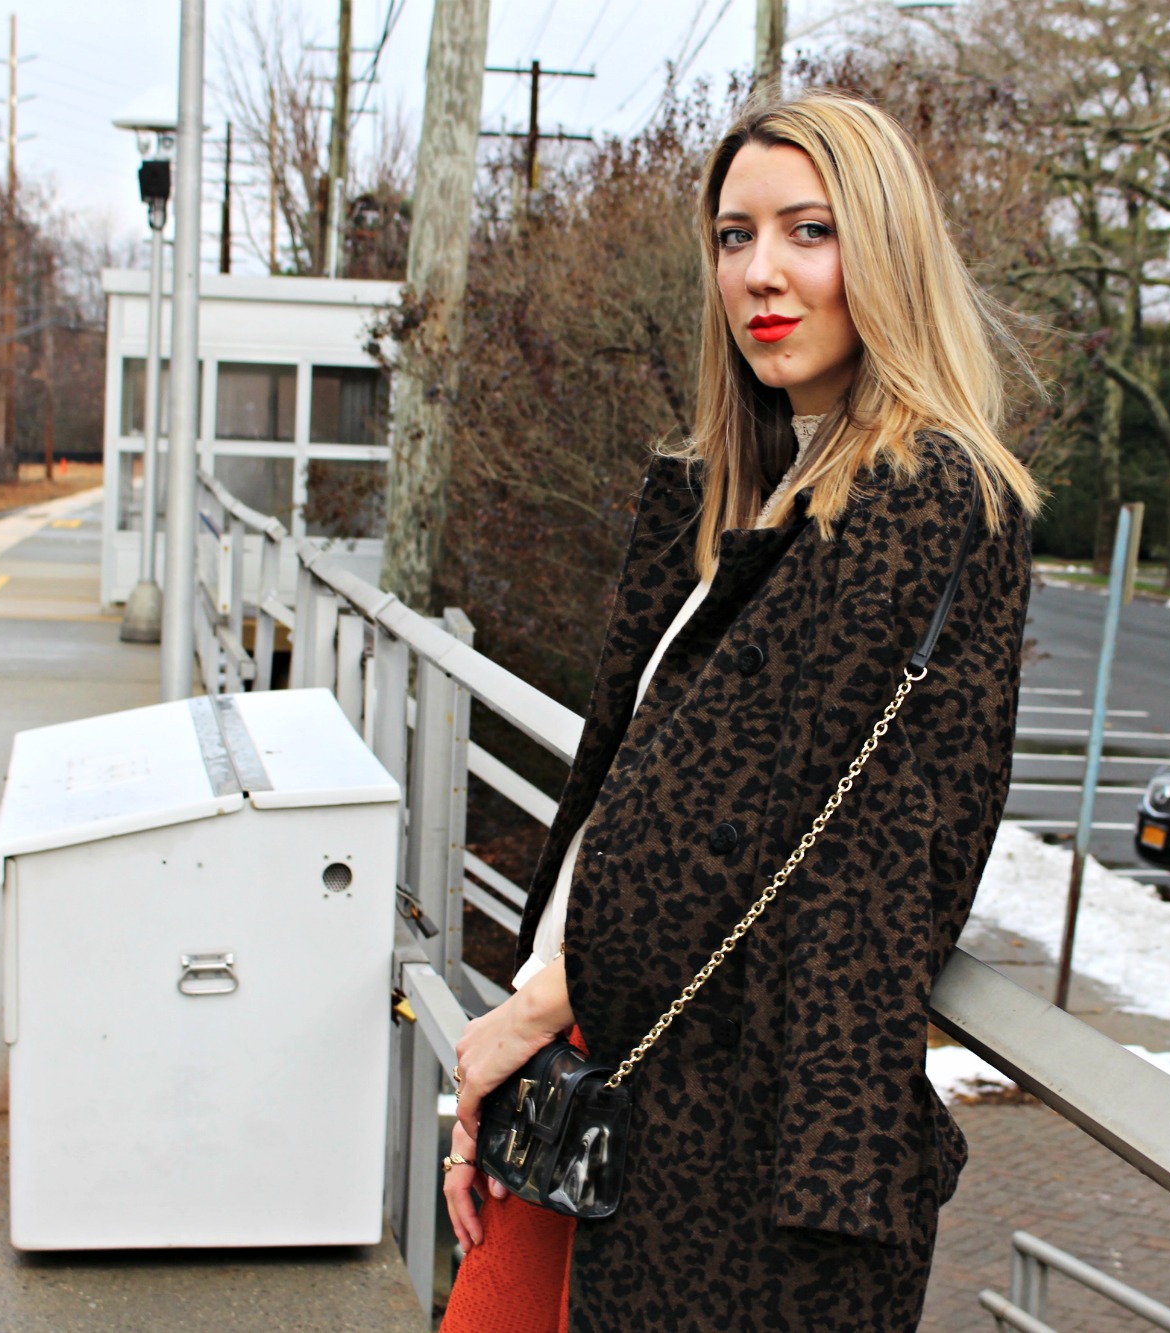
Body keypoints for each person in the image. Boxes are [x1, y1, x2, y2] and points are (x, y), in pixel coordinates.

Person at [439, 88, 1041, 1333]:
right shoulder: (751, 496)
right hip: (617, 1101)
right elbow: (636, 802)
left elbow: (749, 842)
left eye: (807, 231)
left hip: (748, 1161)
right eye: (732, 236)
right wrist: (532, 1042)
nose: (761, 272)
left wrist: (527, 1015)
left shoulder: (923, 494)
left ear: (884, 251)